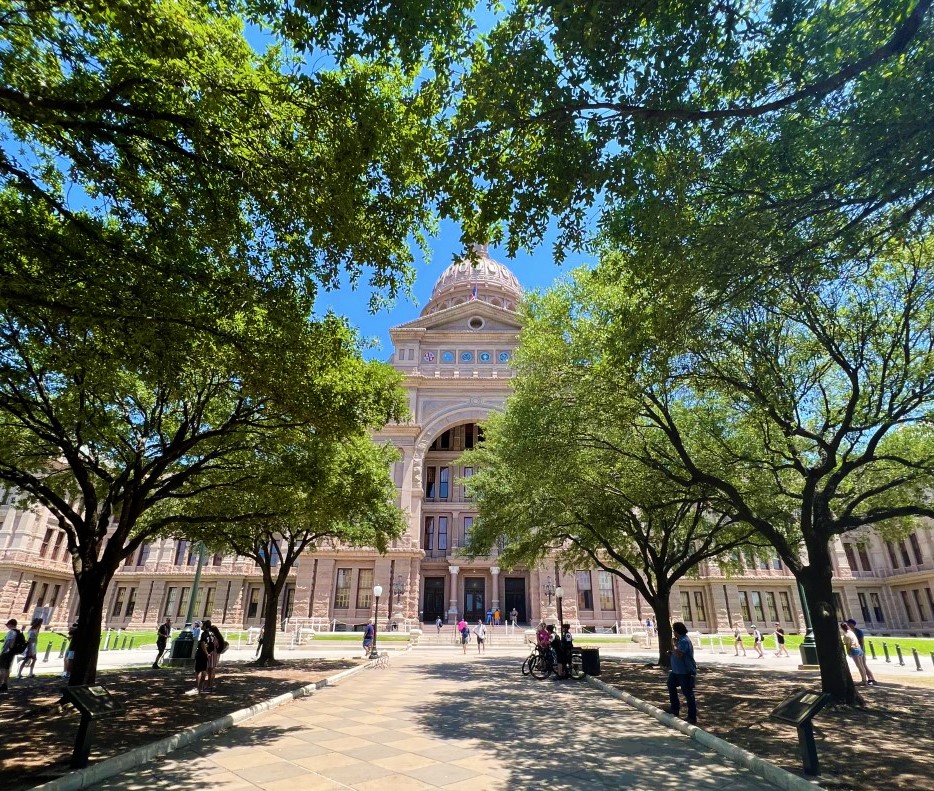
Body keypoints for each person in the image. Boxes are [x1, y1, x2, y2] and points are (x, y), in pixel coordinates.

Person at [666, 621, 697, 724]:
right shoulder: (679, 640)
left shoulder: (684, 641)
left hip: (684, 672)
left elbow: (680, 654)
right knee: (670, 684)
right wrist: (671, 652)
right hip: (676, 671)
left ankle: (692, 716)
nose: (673, 633)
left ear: (677, 631)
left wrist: (673, 645)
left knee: (688, 693)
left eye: (674, 631)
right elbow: (676, 652)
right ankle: (674, 708)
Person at [845, 619, 877, 685]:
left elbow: (862, 642)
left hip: (860, 650)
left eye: (848, 623)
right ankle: (869, 679)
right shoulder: (851, 632)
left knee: (863, 665)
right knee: (862, 665)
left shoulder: (858, 631)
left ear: (852, 624)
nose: (847, 624)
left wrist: (861, 650)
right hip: (858, 650)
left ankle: (872, 679)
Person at [841, 622, 871, 686]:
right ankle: (864, 680)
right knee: (862, 666)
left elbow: (848, 645)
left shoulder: (846, 634)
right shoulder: (851, 632)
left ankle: (863, 680)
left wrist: (848, 652)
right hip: (859, 649)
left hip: (854, 649)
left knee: (859, 666)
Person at [195, 619, 216, 693]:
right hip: (208, 655)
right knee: (204, 670)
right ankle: (202, 686)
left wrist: (206, 652)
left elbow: (202, 643)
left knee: (198, 671)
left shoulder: (204, 633)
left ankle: (198, 687)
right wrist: (210, 653)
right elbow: (214, 644)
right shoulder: (212, 634)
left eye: (203, 625)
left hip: (201, 653)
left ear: (205, 626)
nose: (201, 626)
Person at [0, 618, 21, 692]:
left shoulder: (11, 632)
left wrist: (5, 650)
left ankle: (1, 684)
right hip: (11, 653)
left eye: (8, 625)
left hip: (6, 652)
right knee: (7, 669)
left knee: (2, 669)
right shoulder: (18, 632)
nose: (7, 626)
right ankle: (5, 684)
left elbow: (10, 643)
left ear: (11, 624)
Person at [206, 621, 224, 691]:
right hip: (216, 654)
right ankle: (210, 685)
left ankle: (209, 685)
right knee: (212, 669)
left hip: (212, 654)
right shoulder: (219, 637)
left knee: (210, 670)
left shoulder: (214, 638)